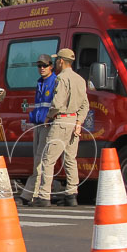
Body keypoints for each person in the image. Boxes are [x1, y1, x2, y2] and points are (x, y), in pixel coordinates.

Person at [32, 48, 90, 208]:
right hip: (73, 122)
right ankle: (71, 195)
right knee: (70, 160)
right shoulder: (80, 79)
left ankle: (44, 196)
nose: (56, 62)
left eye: (57, 60)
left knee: (48, 159)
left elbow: (57, 103)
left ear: (62, 61)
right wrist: (79, 122)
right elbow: (85, 105)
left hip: (61, 121)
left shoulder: (61, 79)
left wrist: (48, 116)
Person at [18, 54, 57, 206]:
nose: (41, 68)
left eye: (44, 65)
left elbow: (55, 104)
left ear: (51, 66)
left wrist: (49, 119)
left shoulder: (54, 81)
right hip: (39, 124)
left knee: (41, 160)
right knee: (38, 159)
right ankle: (34, 193)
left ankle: (31, 194)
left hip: (48, 124)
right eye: (39, 66)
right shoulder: (40, 82)